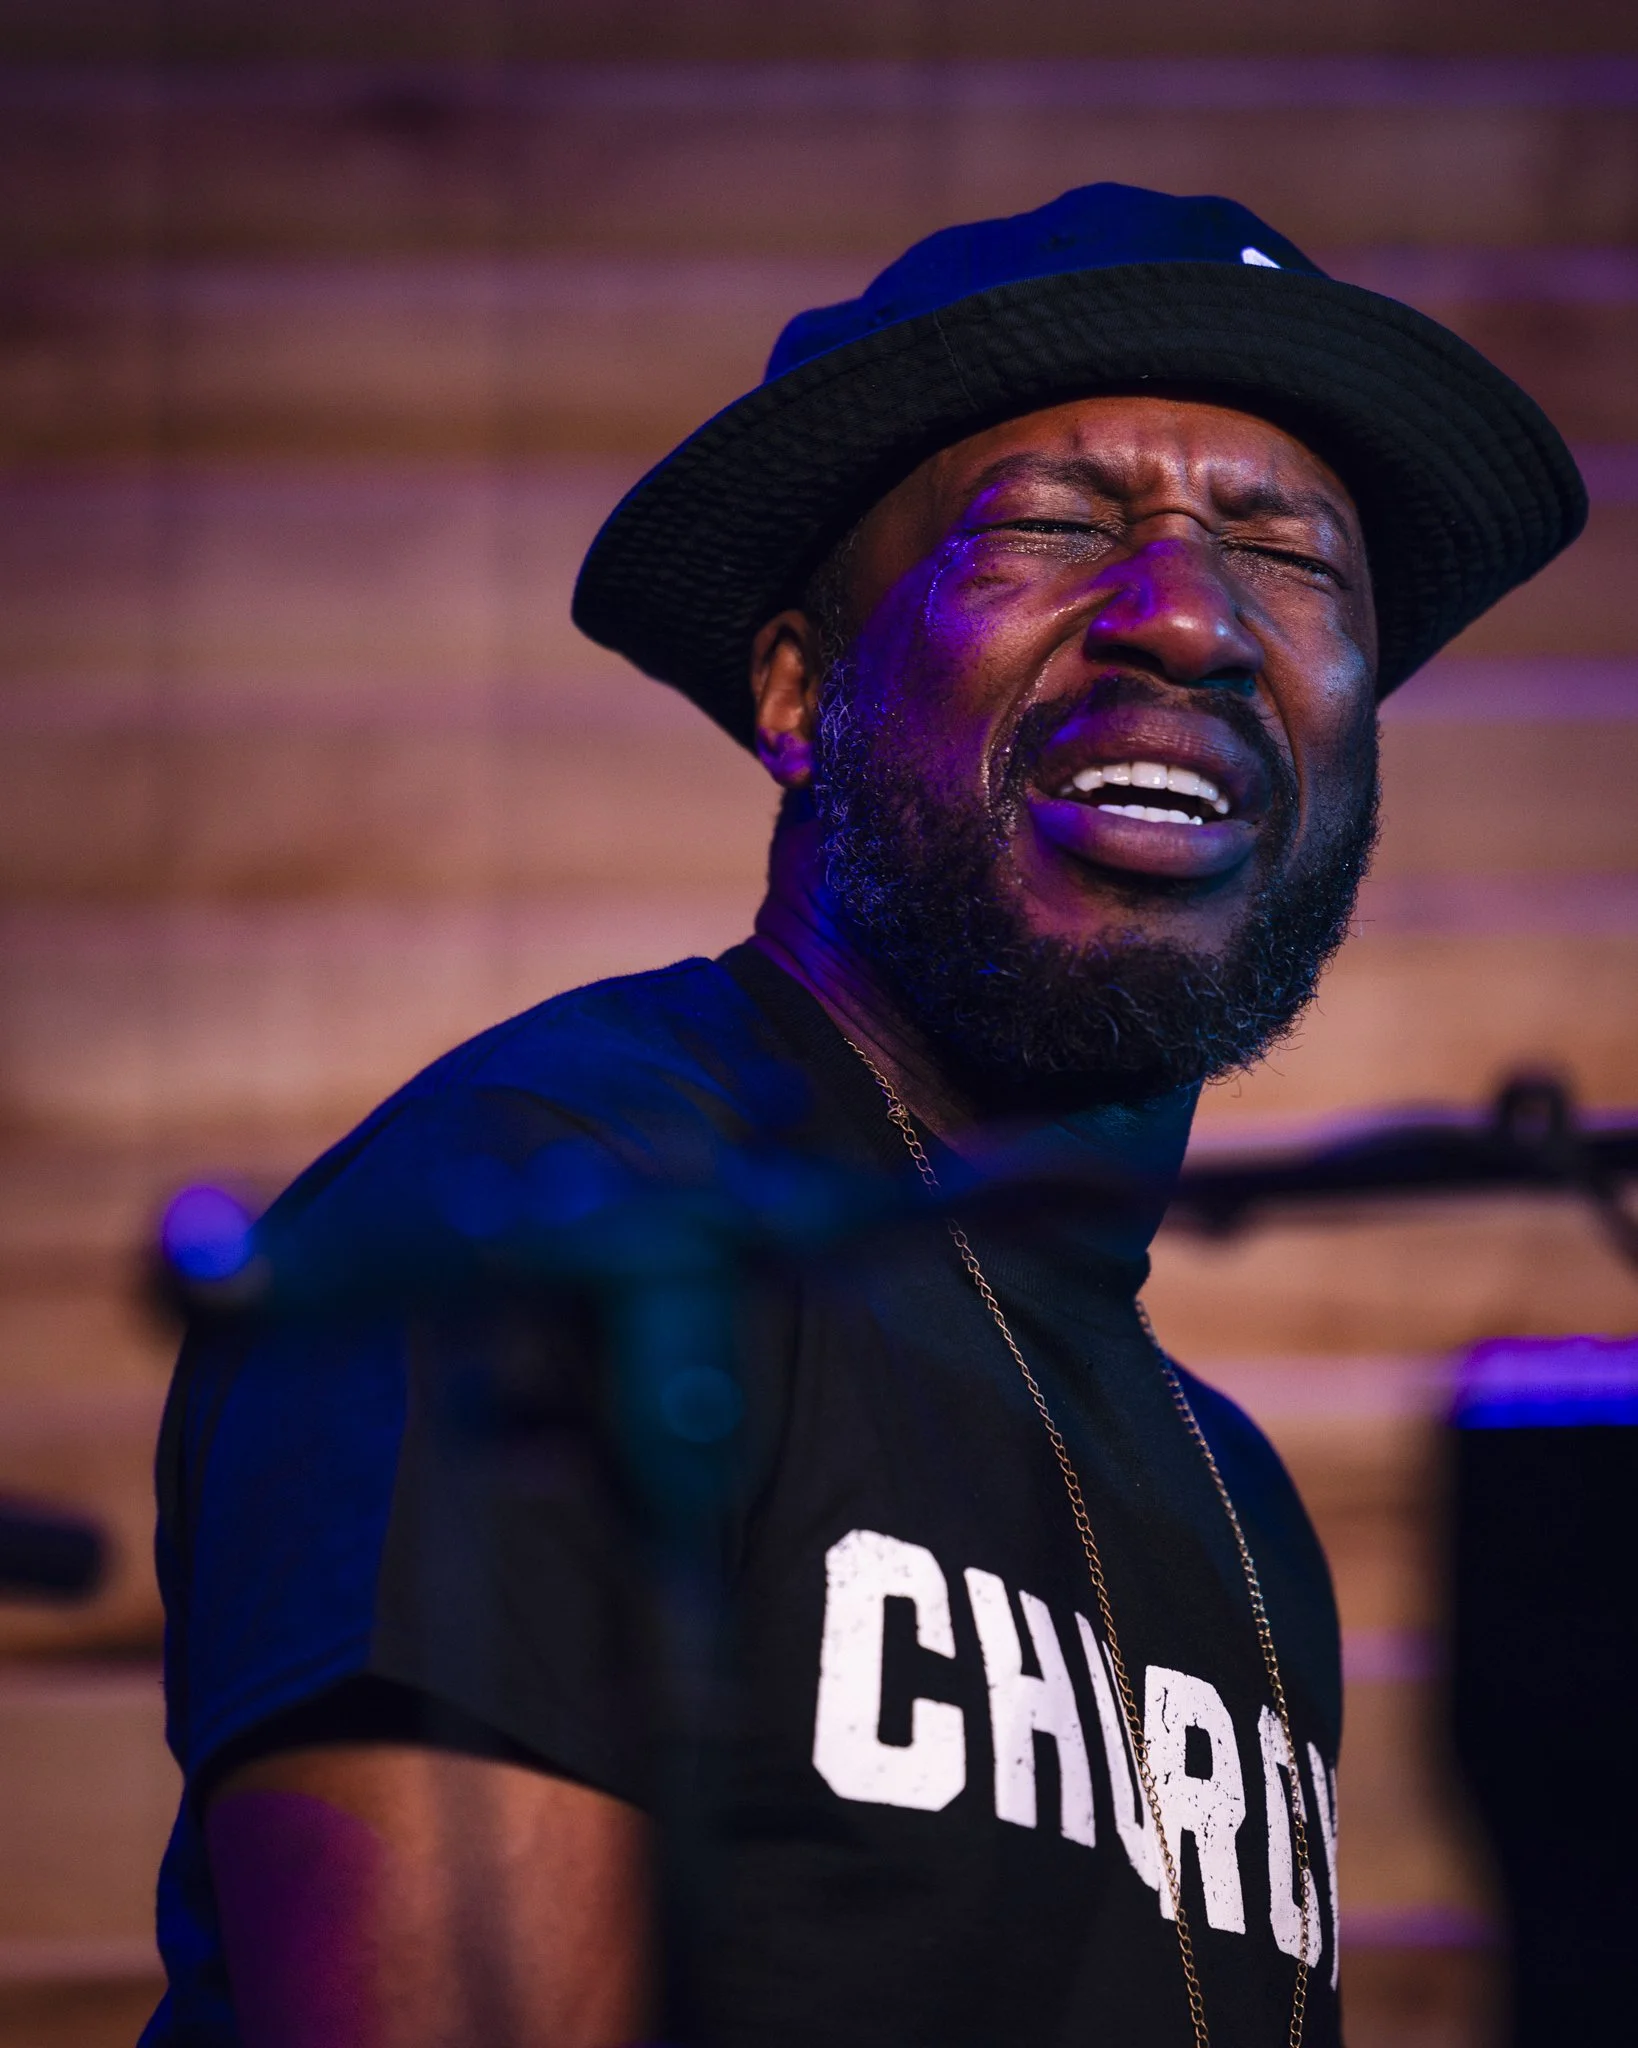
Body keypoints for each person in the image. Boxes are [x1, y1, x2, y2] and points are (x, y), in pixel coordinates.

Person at [142, 182, 1583, 2048]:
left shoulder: (1234, 1507)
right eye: (1053, 524)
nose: (1185, 619)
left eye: (1288, 557)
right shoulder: (550, 1221)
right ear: (799, 690)